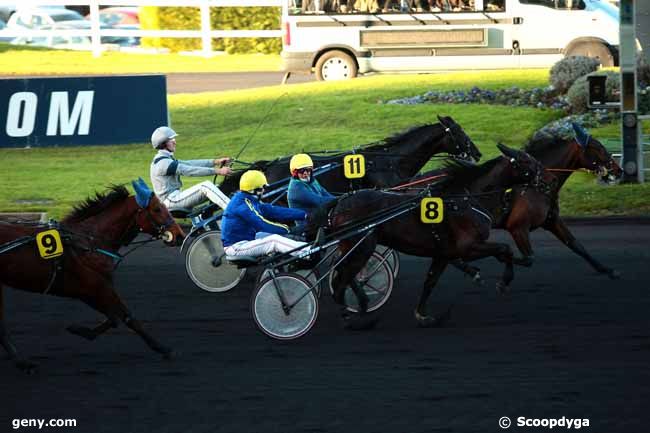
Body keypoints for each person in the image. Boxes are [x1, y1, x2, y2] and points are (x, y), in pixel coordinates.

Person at [221, 170, 311, 258]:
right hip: (236, 246)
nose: (264, 190)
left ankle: (303, 249)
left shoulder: (249, 199)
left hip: (248, 237)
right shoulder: (242, 205)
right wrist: (287, 229)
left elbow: (273, 211)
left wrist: (304, 215)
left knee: (279, 236)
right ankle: (309, 252)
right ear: (253, 190)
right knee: (274, 240)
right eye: (262, 188)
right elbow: (262, 223)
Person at [149, 126, 233, 212]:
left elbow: (190, 163)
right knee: (206, 186)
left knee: (217, 188)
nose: (175, 142)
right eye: (171, 139)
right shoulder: (163, 163)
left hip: (175, 199)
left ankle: (205, 216)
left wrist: (215, 162)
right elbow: (189, 170)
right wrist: (218, 171)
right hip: (171, 201)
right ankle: (234, 211)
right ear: (163, 144)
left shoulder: (166, 159)